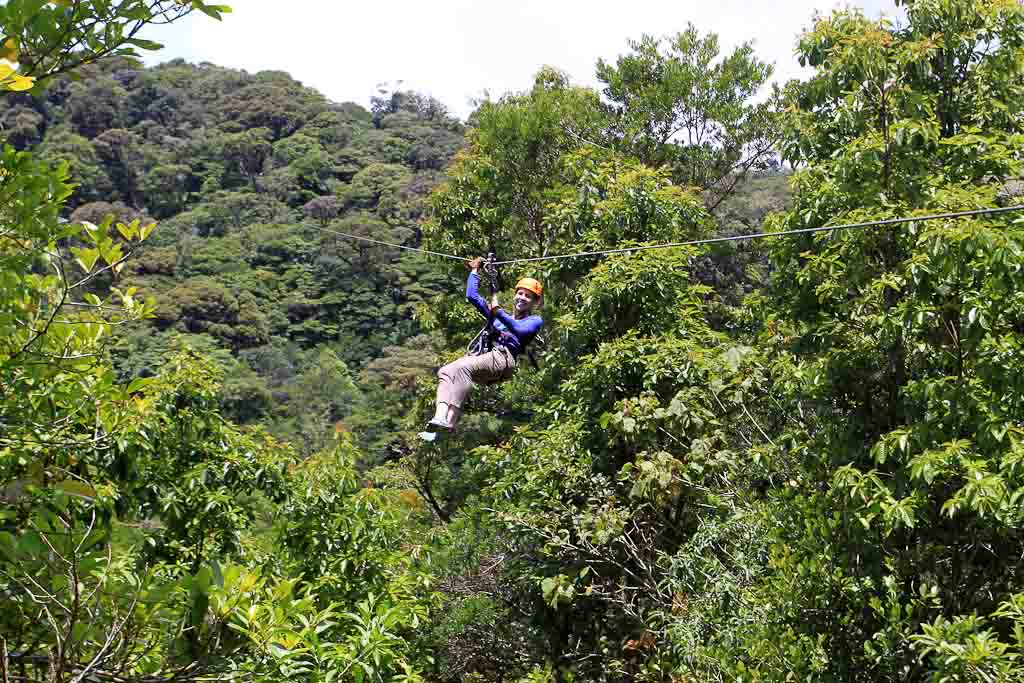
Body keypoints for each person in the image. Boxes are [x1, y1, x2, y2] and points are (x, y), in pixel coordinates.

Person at [421, 256, 543, 437]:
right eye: (520, 293)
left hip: (503, 359)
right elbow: (472, 296)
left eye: (528, 296)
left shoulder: (534, 321)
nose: (522, 298)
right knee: (446, 371)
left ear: (535, 303)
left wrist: (497, 311)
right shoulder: (499, 316)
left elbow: (518, 329)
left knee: (463, 368)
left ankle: (449, 421)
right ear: (514, 294)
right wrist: (474, 271)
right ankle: (440, 418)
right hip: (487, 357)